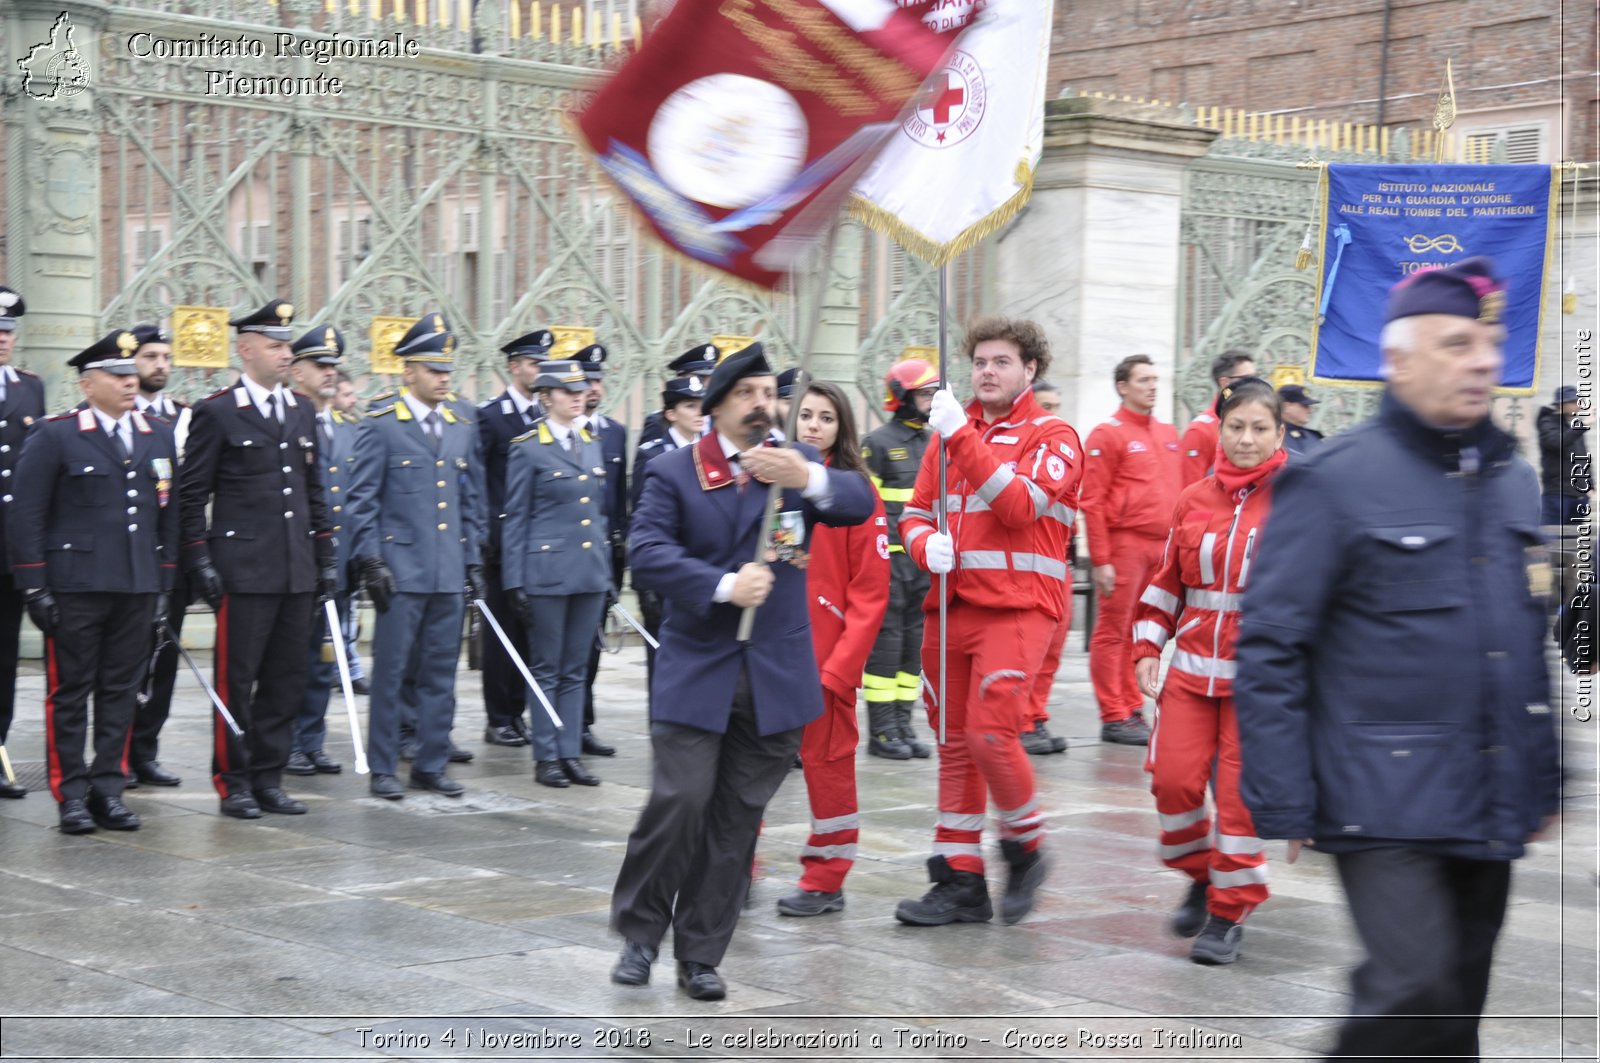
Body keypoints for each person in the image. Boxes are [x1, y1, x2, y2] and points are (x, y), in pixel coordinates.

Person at [1235, 258, 1561, 1057]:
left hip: (1487, 789)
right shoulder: (1336, 482)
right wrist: (1285, 795)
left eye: (1489, 342)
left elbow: (1522, 647)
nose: (1482, 359)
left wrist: (1546, 772)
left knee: (1455, 1010)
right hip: (1378, 796)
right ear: (1398, 360)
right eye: (1456, 343)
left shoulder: (1516, 484)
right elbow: (1272, 644)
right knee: (1409, 985)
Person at [609, 343, 873, 1001]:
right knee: (680, 801)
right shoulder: (676, 471)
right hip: (698, 669)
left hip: (775, 675)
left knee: (735, 822)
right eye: (749, 394)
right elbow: (646, 553)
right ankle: (642, 932)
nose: (765, 405)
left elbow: (857, 500)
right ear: (718, 406)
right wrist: (724, 584)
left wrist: (807, 478)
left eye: (769, 393)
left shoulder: (796, 464)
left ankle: (701, 951)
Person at [895, 316, 1083, 927]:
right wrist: (925, 547)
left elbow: (1019, 505)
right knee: (953, 745)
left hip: (1020, 607)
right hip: (951, 606)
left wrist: (961, 438)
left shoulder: (1055, 436)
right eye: (979, 362)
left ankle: (1025, 847)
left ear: (1030, 369)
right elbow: (916, 513)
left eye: (1001, 361)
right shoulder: (948, 434)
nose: (987, 372)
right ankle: (960, 880)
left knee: (991, 733)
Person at [1132, 376, 1286, 965]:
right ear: (1219, 429)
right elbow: (1168, 581)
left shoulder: (1299, 498)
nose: (1246, 439)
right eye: (1236, 427)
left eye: (1259, 428)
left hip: (1261, 683)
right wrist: (1147, 648)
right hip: (1192, 676)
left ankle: (1228, 913)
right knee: (1172, 784)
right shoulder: (1194, 498)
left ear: (1279, 432)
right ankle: (1203, 873)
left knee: (1239, 803)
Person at [10, 330, 179, 834]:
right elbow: (27, 514)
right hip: (75, 587)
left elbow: (167, 513)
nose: (131, 383)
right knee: (70, 693)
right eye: (118, 375)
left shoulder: (157, 433)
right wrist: (35, 586)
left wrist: (165, 583)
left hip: (136, 585)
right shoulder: (57, 433)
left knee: (121, 692)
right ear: (88, 384)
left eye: (132, 375)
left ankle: (109, 789)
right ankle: (72, 796)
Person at [179, 299, 336, 819]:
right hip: (243, 572)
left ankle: (269, 776)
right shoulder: (218, 411)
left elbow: (315, 492)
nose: (286, 353)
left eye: (288, 345)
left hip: (295, 569)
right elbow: (191, 493)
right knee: (236, 681)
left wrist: (326, 557)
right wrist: (200, 559)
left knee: (285, 679)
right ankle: (234, 779)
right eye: (275, 345)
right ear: (246, 350)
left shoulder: (300, 411)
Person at [346, 313, 487, 800]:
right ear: (407, 372)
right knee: (390, 674)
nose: (443, 378)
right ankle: (385, 766)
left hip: (447, 571)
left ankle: (430, 761)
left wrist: (472, 560)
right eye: (433, 369)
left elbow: (469, 499)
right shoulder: (383, 424)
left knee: (440, 674)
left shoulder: (461, 424)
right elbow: (361, 499)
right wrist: (370, 560)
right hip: (400, 573)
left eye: (448, 369)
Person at [778, 380, 890, 916]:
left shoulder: (856, 492)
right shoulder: (771, 484)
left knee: (828, 767)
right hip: (770, 653)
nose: (814, 425)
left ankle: (826, 876)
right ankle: (734, 866)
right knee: (747, 765)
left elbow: (870, 594)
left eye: (826, 417)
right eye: (806, 415)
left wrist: (841, 669)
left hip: (825, 660)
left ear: (841, 427)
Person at [500, 359, 612, 788]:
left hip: (587, 573)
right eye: (567, 392)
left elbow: (596, 516)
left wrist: (605, 574)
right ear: (546, 397)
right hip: (545, 572)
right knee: (546, 667)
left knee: (576, 668)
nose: (577, 397)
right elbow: (515, 518)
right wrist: (514, 580)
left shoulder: (591, 441)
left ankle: (569, 752)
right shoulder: (528, 446)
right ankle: (546, 754)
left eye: (581, 390)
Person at [1079, 354, 1183, 745]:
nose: (1152, 386)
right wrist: (1101, 560)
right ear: (1123, 386)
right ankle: (1114, 712)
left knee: (1143, 630)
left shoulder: (1168, 433)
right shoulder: (1108, 434)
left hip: (1161, 546)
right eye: (1144, 380)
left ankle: (1132, 707)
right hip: (1125, 545)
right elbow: (1092, 500)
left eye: (1155, 379)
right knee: (1113, 629)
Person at [477, 329, 553, 748]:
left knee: (529, 633)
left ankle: (519, 710)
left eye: (544, 363)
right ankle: (499, 715)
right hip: (502, 542)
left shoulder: (547, 414)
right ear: (515, 366)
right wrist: (487, 533)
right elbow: (480, 476)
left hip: (538, 543)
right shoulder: (491, 416)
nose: (540, 370)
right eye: (534, 363)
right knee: (501, 633)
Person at [860, 359, 939, 760]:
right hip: (888, 561)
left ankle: (905, 724)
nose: (930, 401)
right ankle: (882, 730)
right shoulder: (875, 443)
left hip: (922, 560)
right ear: (902, 395)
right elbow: (864, 507)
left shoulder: (936, 442)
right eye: (924, 393)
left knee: (914, 645)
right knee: (886, 645)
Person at [285, 325, 354, 778]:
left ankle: (312, 740)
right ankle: (286, 741)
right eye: (320, 365)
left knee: (324, 658)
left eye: (333, 366)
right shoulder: (287, 419)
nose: (329, 373)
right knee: (290, 659)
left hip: (338, 561)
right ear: (297, 371)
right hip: (295, 560)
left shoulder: (350, 429)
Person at [124, 323, 189, 789]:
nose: (160, 365)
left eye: (165, 357)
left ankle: (146, 750)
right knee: (124, 661)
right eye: (150, 357)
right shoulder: (117, 414)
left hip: (173, 557)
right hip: (127, 557)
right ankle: (117, 752)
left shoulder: (187, 418)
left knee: (164, 659)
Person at [630, 376, 705, 694]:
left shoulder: (711, 452)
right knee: (662, 657)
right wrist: (644, 584)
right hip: (668, 568)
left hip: (702, 567)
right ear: (670, 414)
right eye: (690, 406)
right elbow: (641, 517)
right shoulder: (653, 454)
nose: (699, 413)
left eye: (702, 405)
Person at [0, 286, 45, 799]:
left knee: (5, 660)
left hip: (10, 553)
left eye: (9, 332)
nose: (3, 340)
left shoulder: (30, 390)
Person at [575, 342, 626, 758]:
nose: (593, 388)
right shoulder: (551, 432)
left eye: (597, 380)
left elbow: (619, 502)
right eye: (585, 381)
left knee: (591, 648)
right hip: (565, 554)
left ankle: (584, 724)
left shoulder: (614, 432)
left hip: (604, 556)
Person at [1179, 349, 1256, 486]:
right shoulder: (1200, 430)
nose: (1255, 385)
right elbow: (1191, 490)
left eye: (1255, 378)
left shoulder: (1258, 424)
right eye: (1247, 379)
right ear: (1225, 383)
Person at [635, 343, 718, 451]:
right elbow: (650, 459)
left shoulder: (717, 417)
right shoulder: (657, 421)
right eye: (701, 377)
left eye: (711, 377)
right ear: (681, 378)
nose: (707, 383)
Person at [1537, 383, 1591, 526]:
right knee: (1552, 540)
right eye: (1573, 402)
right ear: (1560, 405)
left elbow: (1582, 457)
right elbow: (1557, 442)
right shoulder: (1547, 423)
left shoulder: (1574, 426)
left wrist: (1590, 485)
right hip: (1557, 494)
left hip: (1579, 495)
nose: (1578, 405)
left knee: (1573, 543)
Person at [1278, 383, 1325, 456]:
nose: (1310, 410)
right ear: (1286, 406)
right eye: (1305, 406)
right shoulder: (1272, 437)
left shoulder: (1312, 436)